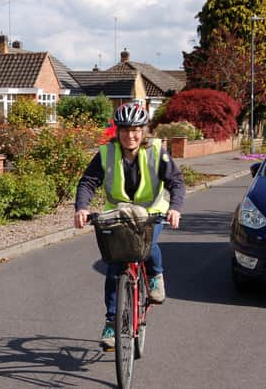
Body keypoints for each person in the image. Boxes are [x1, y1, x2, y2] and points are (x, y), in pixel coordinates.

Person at [73, 102, 185, 351]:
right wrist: (81, 207)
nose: (130, 135)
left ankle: (155, 275)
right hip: (120, 213)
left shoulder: (157, 150)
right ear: (118, 131)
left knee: (147, 245)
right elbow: (88, 182)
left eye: (135, 130)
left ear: (143, 130)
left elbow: (176, 182)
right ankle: (112, 322)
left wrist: (175, 208)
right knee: (114, 265)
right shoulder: (106, 153)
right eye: (124, 130)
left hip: (151, 211)